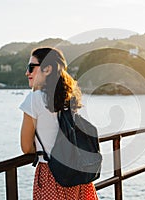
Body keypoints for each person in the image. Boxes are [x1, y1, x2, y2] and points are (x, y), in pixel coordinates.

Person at [19, 47, 99, 199]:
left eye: (31, 67)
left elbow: (26, 147)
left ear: (47, 69)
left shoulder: (33, 99)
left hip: (53, 175)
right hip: (76, 172)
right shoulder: (66, 97)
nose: (27, 73)